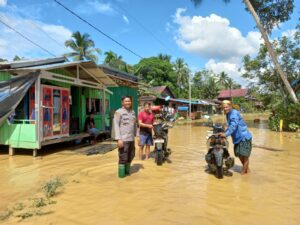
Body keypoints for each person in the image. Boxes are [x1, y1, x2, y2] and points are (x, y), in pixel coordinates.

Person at [220, 100, 252, 174]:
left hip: (244, 136)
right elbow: (230, 125)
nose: (225, 109)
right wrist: (225, 131)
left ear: (230, 106)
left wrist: (225, 134)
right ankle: (247, 170)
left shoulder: (233, 113)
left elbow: (233, 125)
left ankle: (243, 174)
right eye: (224, 107)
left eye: (227, 107)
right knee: (239, 154)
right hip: (237, 138)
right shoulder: (228, 114)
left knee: (245, 155)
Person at [113, 96, 137, 178]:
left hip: (131, 139)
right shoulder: (118, 112)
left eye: (129, 101)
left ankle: (127, 173)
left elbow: (134, 124)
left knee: (131, 155)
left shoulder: (133, 112)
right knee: (123, 157)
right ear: (122, 102)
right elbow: (116, 125)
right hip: (123, 139)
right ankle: (121, 176)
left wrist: (136, 136)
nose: (128, 102)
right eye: (126, 101)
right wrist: (119, 139)